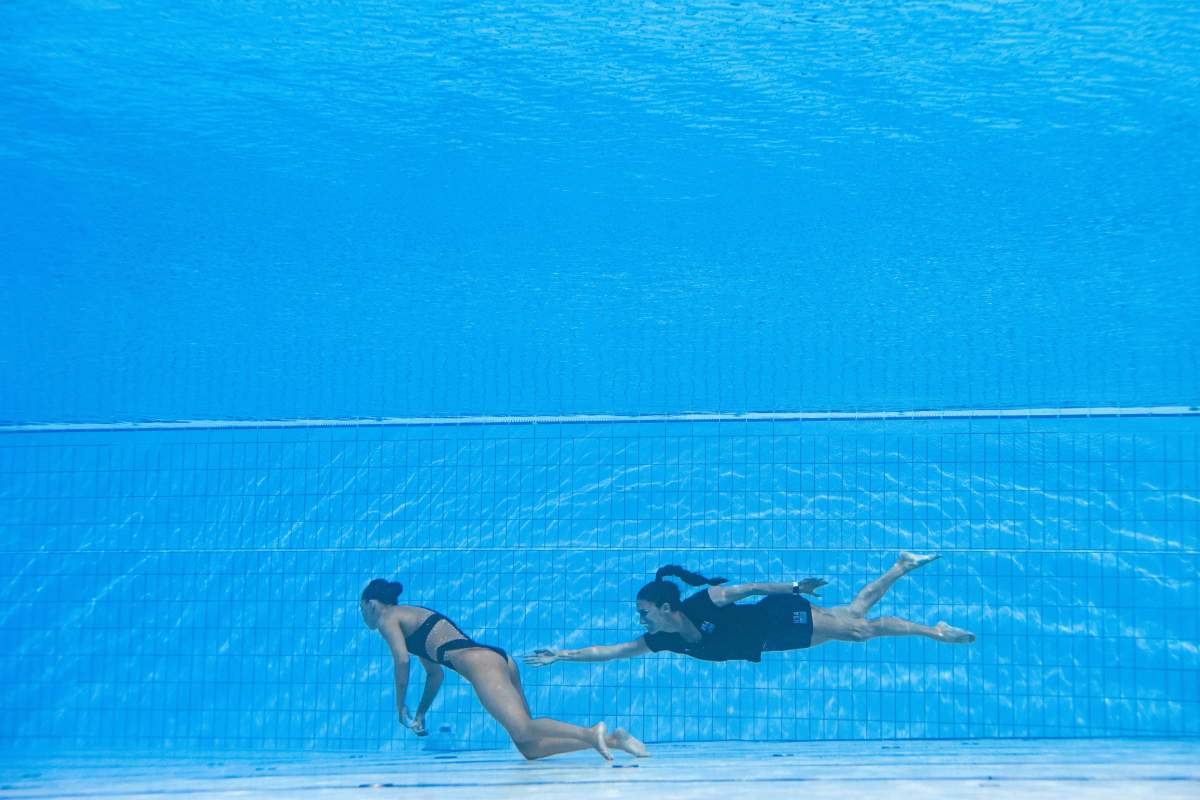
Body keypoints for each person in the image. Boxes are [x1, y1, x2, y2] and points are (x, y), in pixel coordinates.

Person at [359, 578, 648, 761]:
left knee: (524, 729)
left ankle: (591, 731)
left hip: (480, 663)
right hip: (496, 660)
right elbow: (435, 675)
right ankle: (611, 740)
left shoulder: (388, 617)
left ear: (372, 604)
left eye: (362, 609)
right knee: (529, 746)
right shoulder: (411, 617)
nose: (364, 616)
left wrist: (400, 707)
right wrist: (421, 712)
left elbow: (402, 661)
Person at [524, 553, 975, 667]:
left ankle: (931, 631)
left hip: (776, 616)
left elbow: (751, 586)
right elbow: (612, 651)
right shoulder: (663, 639)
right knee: (855, 615)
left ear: (665, 606)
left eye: (644, 612)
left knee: (859, 630)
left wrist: (796, 586)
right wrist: (564, 655)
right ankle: (900, 565)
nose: (641, 621)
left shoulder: (703, 601)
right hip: (770, 641)